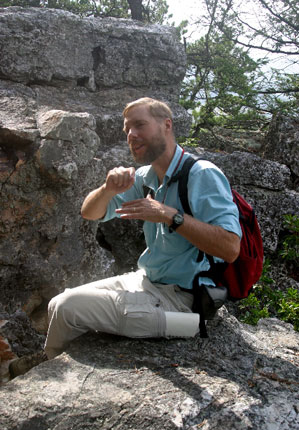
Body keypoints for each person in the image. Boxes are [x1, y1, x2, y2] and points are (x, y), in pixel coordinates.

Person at [43, 97, 241, 360]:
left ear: (166, 125)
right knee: (58, 303)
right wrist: (107, 190)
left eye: (139, 125)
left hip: (183, 301)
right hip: (146, 281)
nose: (131, 135)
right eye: (127, 130)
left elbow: (230, 248)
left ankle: (49, 368)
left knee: (67, 308)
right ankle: (54, 364)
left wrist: (171, 216)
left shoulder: (202, 174)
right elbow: (89, 212)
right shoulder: (146, 177)